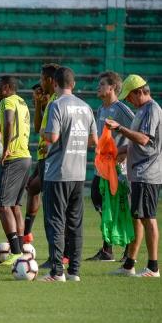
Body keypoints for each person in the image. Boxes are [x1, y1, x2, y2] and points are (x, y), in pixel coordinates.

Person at [39, 67, 97, 282]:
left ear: (55, 83)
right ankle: (74, 271)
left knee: (56, 221)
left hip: (58, 172)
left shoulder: (56, 105)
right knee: (75, 223)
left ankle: (56, 272)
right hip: (79, 172)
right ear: (73, 84)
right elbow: (94, 141)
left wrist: (44, 134)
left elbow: (52, 137)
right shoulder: (86, 106)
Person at [108, 75, 161, 278]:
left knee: (148, 217)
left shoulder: (151, 110)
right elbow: (134, 143)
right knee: (137, 217)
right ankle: (129, 264)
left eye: (129, 96)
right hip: (139, 171)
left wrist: (120, 128)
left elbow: (145, 140)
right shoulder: (142, 110)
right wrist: (116, 151)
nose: (128, 100)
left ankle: (153, 267)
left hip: (147, 172)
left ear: (139, 91)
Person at [86, 71, 134, 262]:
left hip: (119, 170)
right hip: (102, 168)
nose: (98, 87)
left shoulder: (121, 109)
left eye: (102, 84)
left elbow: (139, 135)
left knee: (123, 208)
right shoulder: (101, 110)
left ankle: (130, 251)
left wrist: (123, 153)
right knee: (99, 201)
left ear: (112, 87)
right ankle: (107, 250)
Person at [0, 75, 31, 267]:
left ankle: (16, 252)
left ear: (7, 87)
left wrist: (5, 147)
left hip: (14, 156)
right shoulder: (21, 101)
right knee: (15, 206)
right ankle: (21, 248)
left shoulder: (7, 102)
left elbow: (8, 122)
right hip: (25, 156)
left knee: (1, 205)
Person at [24, 64, 59, 247]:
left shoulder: (57, 102)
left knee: (53, 206)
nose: (40, 83)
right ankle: (27, 234)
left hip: (52, 158)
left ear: (50, 80)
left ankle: (62, 253)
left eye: (42, 79)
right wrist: (38, 103)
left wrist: (50, 146)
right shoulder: (50, 102)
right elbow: (38, 128)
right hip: (42, 157)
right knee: (32, 188)